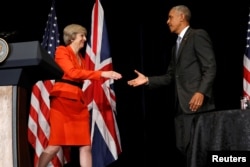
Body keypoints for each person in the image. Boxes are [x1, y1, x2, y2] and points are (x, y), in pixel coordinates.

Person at [127, 5, 216, 167]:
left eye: (170, 17)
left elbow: (210, 67)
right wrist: (147, 80)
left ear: (181, 17)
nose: (167, 21)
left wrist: (201, 92)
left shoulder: (198, 35)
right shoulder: (176, 45)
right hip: (181, 107)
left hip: (197, 106)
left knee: (198, 150)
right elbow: (170, 77)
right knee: (183, 147)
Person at [37, 24, 122, 167]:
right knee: (55, 145)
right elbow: (72, 73)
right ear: (72, 37)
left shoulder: (81, 58)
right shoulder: (62, 51)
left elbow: (82, 75)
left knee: (85, 145)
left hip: (78, 103)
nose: (84, 39)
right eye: (82, 35)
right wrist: (102, 73)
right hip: (62, 101)